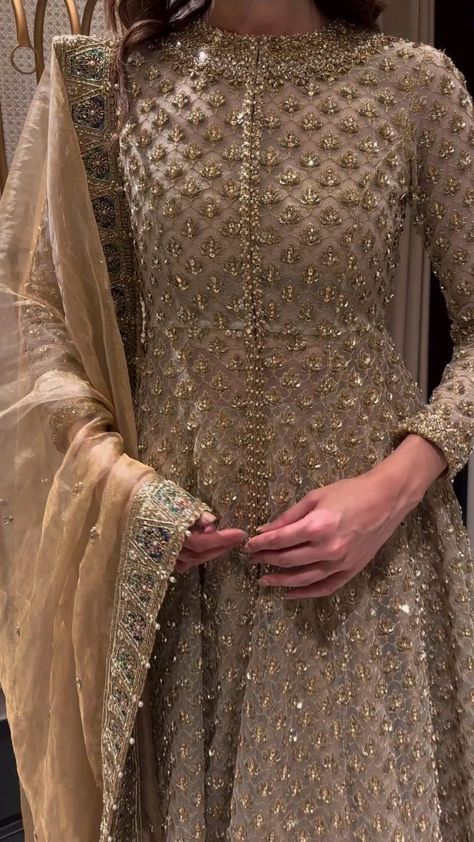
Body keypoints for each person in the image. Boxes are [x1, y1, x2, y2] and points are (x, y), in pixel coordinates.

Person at [0, 0, 473, 838]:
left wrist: (394, 489)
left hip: (365, 573)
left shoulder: (414, 87)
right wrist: (129, 496)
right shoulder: (109, 86)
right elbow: (33, 324)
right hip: (177, 582)